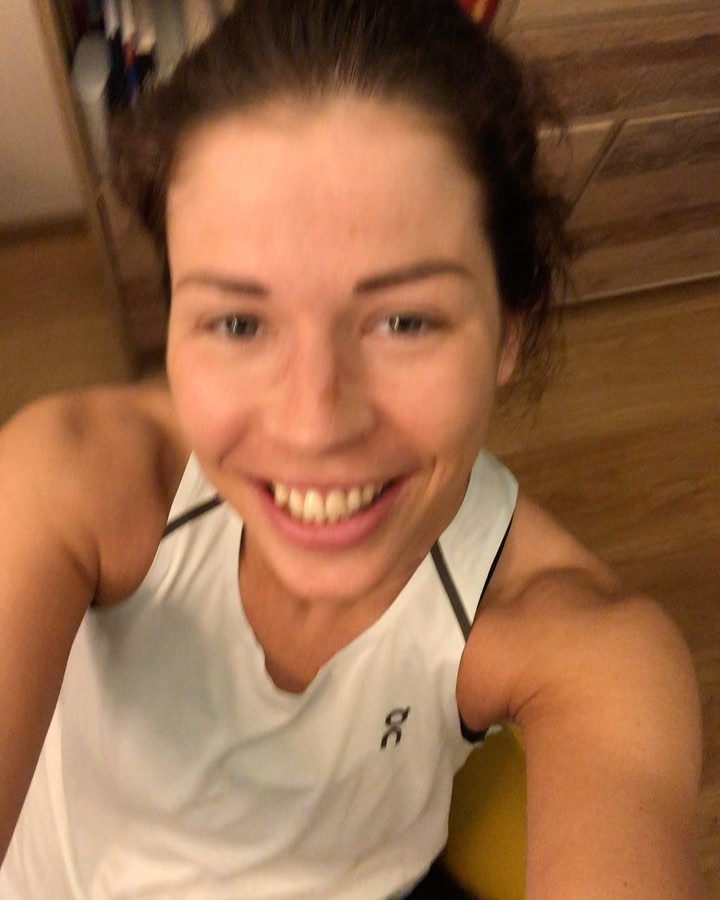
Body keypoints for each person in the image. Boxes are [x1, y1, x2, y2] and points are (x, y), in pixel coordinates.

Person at [0, 0, 705, 896]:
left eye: (403, 321)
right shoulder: (70, 479)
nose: (311, 426)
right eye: (238, 322)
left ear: (507, 333)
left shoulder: (577, 638)